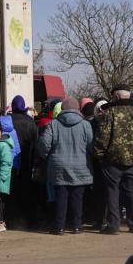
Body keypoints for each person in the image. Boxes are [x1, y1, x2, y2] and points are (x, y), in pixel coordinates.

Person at [94, 86, 133, 234]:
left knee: (112, 192)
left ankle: (113, 225)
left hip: (112, 160)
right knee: (132, 192)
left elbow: (103, 138)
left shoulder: (110, 113)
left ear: (117, 97)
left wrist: (99, 155)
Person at [38, 97, 94, 235]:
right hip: (81, 166)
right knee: (77, 197)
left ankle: (59, 226)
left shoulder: (53, 124)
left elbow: (44, 144)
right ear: (77, 109)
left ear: (62, 108)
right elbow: (91, 146)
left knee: (60, 197)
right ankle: (76, 226)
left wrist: (49, 157)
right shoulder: (85, 125)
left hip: (58, 166)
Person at [9, 94, 40, 228]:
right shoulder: (30, 122)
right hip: (27, 161)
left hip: (10, 162)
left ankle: (13, 220)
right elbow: (36, 143)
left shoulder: (7, 120)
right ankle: (30, 220)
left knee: (12, 191)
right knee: (27, 191)